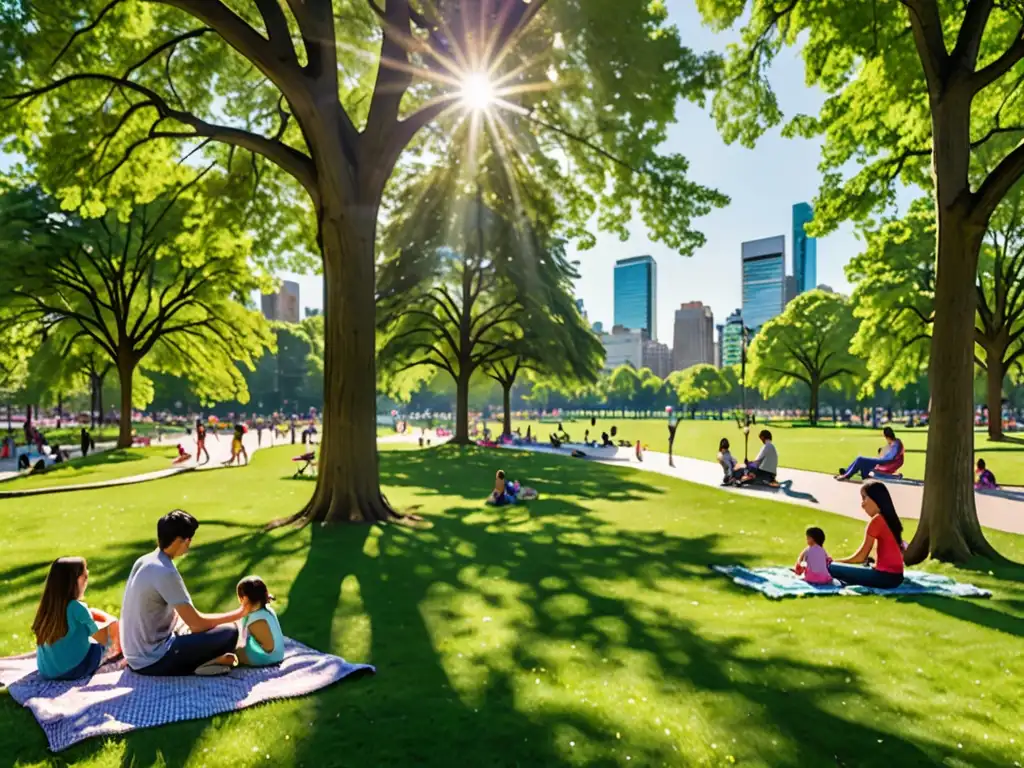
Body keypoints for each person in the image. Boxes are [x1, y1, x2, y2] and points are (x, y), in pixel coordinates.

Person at [120, 510, 245, 676]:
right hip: (153, 660)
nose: (190, 543)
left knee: (208, 631)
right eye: (189, 539)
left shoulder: (145, 560)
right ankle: (204, 664)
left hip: (135, 653)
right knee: (229, 632)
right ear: (179, 540)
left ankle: (210, 661)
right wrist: (240, 613)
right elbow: (197, 623)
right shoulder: (165, 571)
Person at [32, 557, 120, 681]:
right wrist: (110, 622)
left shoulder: (46, 607)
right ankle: (118, 656)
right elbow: (99, 637)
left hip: (47, 670)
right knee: (107, 636)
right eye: (85, 577)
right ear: (74, 581)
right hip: (74, 670)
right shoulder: (77, 608)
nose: (86, 581)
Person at [827, 481, 905, 589]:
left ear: (875, 498)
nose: (862, 504)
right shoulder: (890, 519)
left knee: (829, 567)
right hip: (897, 577)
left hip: (885, 578)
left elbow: (860, 557)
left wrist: (835, 562)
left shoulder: (877, 521)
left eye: (864, 498)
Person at [235, 576, 285, 667]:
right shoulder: (266, 610)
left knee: (231, 649)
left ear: (244, 599)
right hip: (277, 655)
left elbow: (268, 647)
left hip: (267, 658)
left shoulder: (256, 620)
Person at [835, 427, 902, 481]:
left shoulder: (896, 445)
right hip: (883, 462)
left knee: (860, 459)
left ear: (886, 436)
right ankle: (847, 471)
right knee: (861, 461)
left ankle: (846, 475)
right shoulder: (895, 442)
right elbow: (889, 454)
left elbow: (889, 459)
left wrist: (879, 459)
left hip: (883, 463)